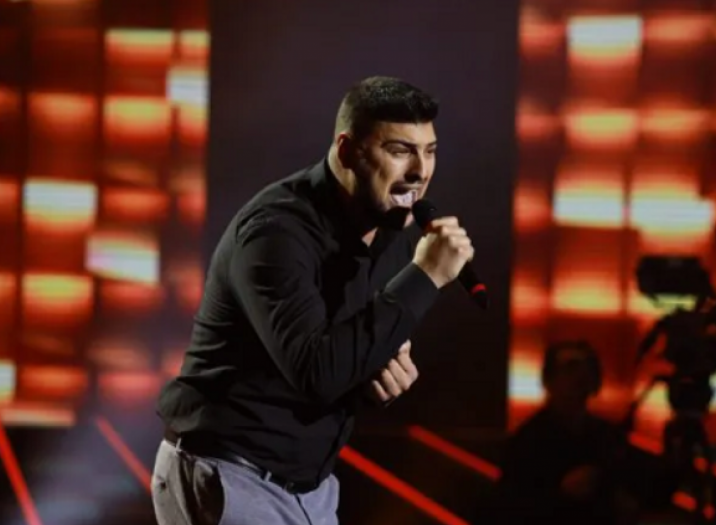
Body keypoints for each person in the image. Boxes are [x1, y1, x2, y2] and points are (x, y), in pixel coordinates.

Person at [151, 76, 475, 525]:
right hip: (231, 475)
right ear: (347, 151)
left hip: (309, 486)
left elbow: (341, 353)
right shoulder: (276, 232)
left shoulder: (391, 232)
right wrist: (425, 277)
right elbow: (316, 372)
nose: (420, 170)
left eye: (430, 151)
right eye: (400, 150)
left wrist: (379, 369)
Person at [487, 341, 639, 525]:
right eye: (570, 369)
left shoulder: (608, 437)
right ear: (549, 380)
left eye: (586, 369)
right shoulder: (528, 441)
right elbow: (508, 508)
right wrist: (559, 493)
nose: (579, 377)